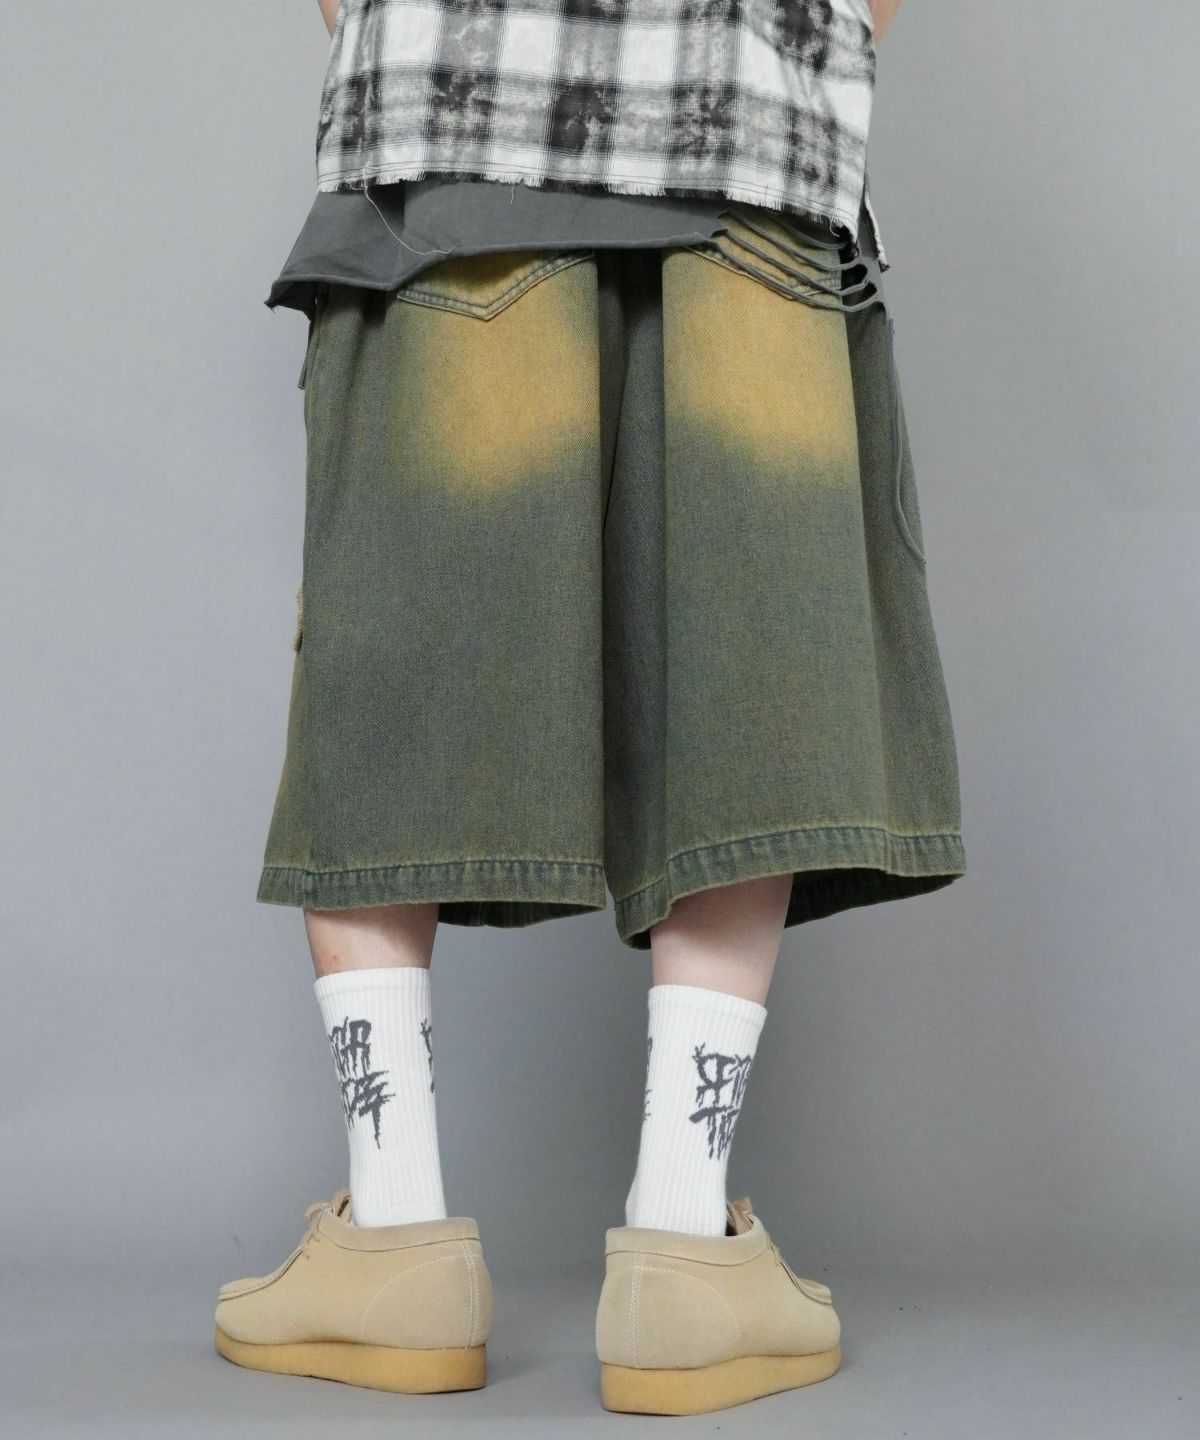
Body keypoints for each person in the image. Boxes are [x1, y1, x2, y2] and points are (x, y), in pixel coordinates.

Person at [215, 0, 964, 1415]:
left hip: (455, 118)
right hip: (750, 132)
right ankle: (686, 1254)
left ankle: (393, 1236)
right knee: (749, 668)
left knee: (402, 657)